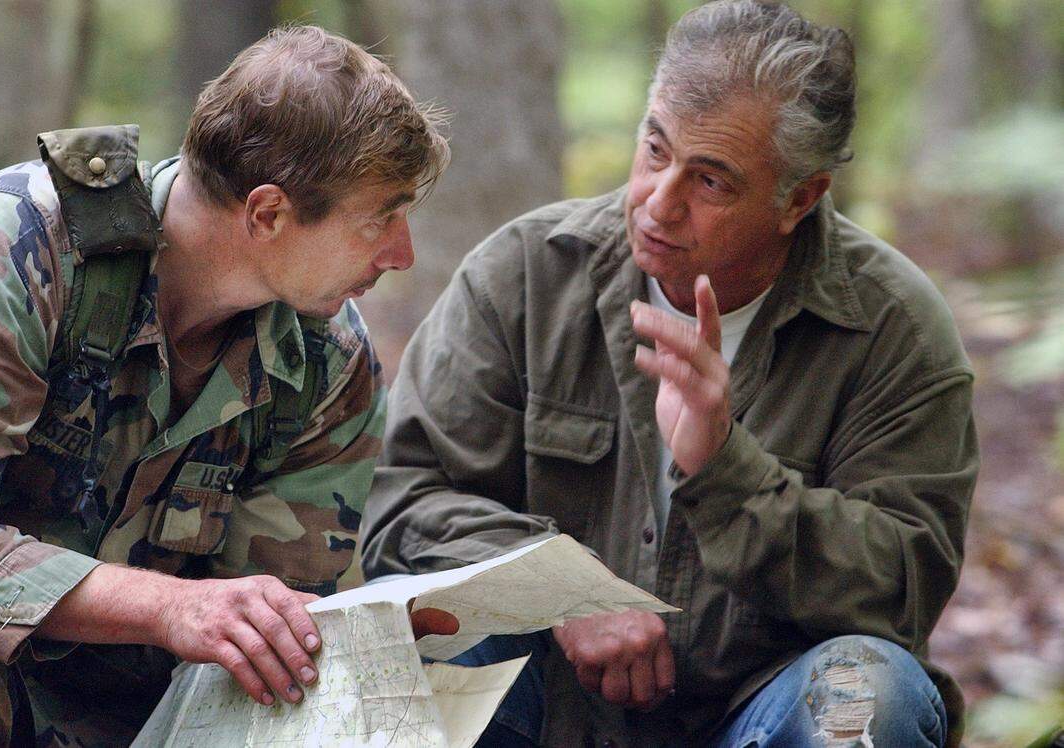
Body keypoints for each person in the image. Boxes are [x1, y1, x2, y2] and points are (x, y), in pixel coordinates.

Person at [361, 1, 977, 745]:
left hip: (760, 710)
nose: (658, 201)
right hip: (551, 708)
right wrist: (561, 589)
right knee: (414, 647)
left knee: (867, 693)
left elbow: (903, 591)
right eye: (655, 150)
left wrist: (726, 472)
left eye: (710, 182)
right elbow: (403, 506)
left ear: (799, 199)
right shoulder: (524, 275)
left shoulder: (893, 329)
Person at [0, 26, 451, 745]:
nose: (403, 253)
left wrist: (355, 643)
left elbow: (272, 646)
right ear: (267, 214)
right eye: (379, 219)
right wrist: (170, 607)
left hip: (127, 704)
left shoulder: (327, 359)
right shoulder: (11, 250)